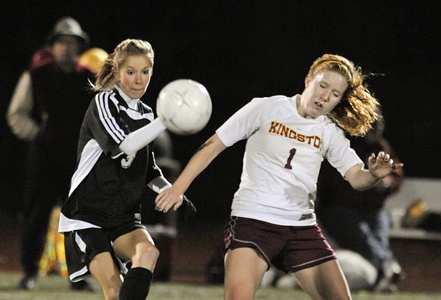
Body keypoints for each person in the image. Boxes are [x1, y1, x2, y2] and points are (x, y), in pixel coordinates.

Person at [154, 53, 403, 300]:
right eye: (323, 86)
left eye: (335, 94)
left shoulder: (329, 132)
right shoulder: (265, 108)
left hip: (301, 228)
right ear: (308, 81)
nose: (326, 96)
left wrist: (373, 175)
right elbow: (213, 145)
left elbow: (356, 177)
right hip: (253, 221)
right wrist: (179, 187)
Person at [58, 38, 174, 300]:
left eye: (145, 72)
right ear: (118, 72)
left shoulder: (146, 114)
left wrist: (171, 190)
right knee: (114, 288)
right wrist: (166, 120)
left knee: (149, 252)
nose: (138, 79)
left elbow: (148, 169)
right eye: (131, 72)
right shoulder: (104, 103)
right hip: (87, 215)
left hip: (123, 217)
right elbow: (125, 146)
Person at [6, 16, 95, 291]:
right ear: (53, 47)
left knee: (79, 219)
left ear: (80, 48)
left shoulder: (90, 78)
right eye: (62, 43)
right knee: (36, 215)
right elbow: (16, 113)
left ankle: (78, 276)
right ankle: (30, 272)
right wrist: (38, 134)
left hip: (77, 160)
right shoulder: (36, 74)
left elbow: (101, 117)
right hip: (43, 157)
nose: (67, 49)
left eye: (73, 44)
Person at [315, 115, 405, 293]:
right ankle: (387, 267)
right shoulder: (343, 146)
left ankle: (383, 273)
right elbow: (330, 182)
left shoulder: (381, 147)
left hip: (371, 209)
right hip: (340, 208)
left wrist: (385, 184)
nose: (374, 131)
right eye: (370, 127)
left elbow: (395, 175)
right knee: (363, 235)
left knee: (379, 233)